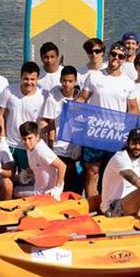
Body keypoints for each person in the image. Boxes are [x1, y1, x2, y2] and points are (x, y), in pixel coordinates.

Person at [77, 41, 138, 210]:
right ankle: (92, 207)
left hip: (116, 136)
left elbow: (133, 109)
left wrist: (135, 131)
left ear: (125, 59)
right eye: (114, 54)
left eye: (120, 56)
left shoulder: (128, 82)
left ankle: (108, 206)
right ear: (109, 55)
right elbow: (82, 97)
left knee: (112, 174)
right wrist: (71, 107)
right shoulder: (95, 76)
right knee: (92, 173)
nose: (116, 58)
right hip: (94, 133)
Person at [39, 65, 83, 193]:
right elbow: (47, 122)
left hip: (76, 150)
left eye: (70, 81)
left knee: (77, 183)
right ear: (60, 80)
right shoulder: (53, 97)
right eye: (64, 80)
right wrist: (49, 144)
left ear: (75, 81)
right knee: (58, 185)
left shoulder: (81, 98)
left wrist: (80, 147)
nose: (67, 84)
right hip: (58, 149)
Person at [0, 62, 46, 173]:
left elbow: (43, 122)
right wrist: (2, 138)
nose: (29, 82)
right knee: (7, 179)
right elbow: (0, 114)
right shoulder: (9, 91)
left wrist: (38, 140)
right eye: (26, 79)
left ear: (37, 79)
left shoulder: (43, 95)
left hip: (30, 146)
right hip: (10, 144)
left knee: (27, 180)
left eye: (32, 79)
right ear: (21, 77)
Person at [19, 121, 66, 198]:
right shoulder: (29, 148)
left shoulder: (42, 151)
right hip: (38, 190)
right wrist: (27, 172)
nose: (27, 142)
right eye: (24, 139)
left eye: (30, 138)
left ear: (37, 136)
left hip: (49, 194)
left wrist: (57, 188)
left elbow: (62, 166)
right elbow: (38, 165)